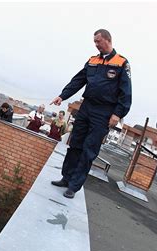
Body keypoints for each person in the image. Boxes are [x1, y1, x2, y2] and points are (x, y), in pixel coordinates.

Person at [50, 29, 131, 199]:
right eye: (95, 42)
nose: (95, 44)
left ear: (107, 40)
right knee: (75, 144)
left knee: (89, 149)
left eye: (98, 41)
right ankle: (66, 178)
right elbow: (78, 80)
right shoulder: (92, 60)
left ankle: (74, 185)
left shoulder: (121, 63)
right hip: (86, 107)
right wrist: (62, 95)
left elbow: (126, 93)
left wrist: (117, 114)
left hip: (104, 112)